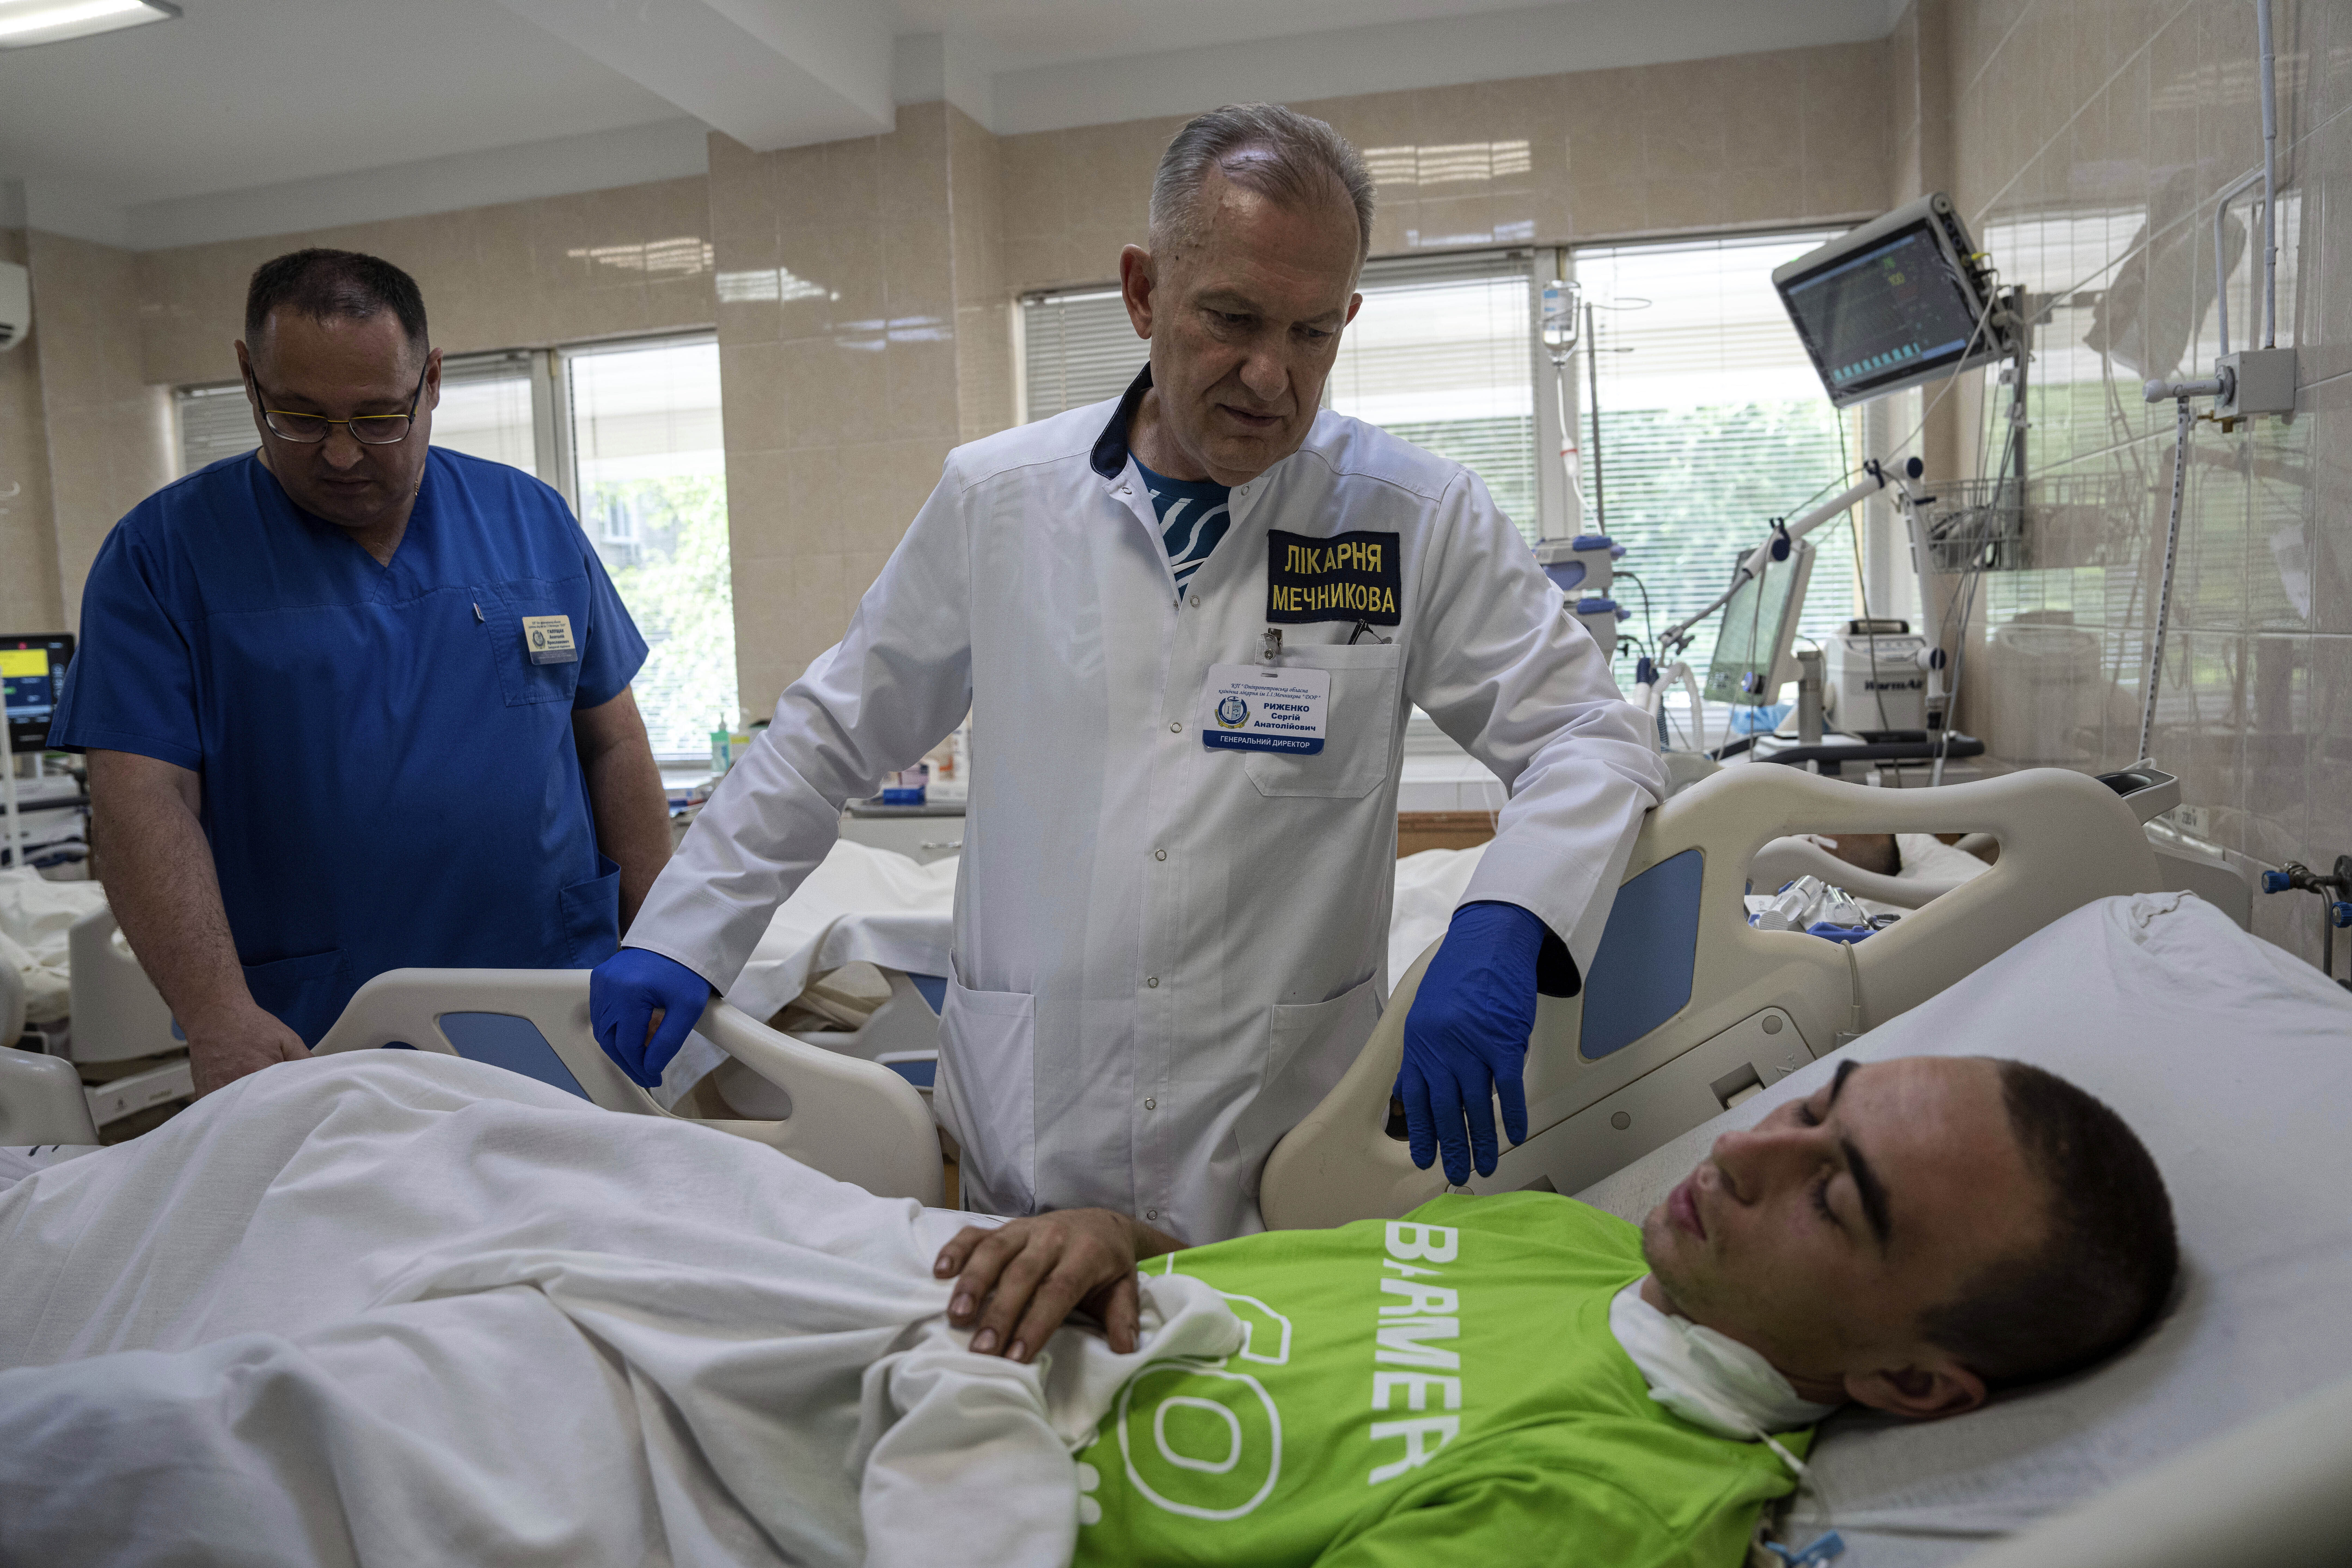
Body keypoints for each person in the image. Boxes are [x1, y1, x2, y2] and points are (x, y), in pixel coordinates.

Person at [594, 103, 1667, 1243]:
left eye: (1312, 333)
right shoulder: (997, 500)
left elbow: (1590, 736)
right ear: (1145, 292)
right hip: (1036, 1147)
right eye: (1233, 319)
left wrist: (1505, 921)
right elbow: (828, 739)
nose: (1271, 374)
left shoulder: (1413, 518)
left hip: (1289, 1164)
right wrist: (682, 929)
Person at [0, 1049, 2178, 1566]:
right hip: (923, 1289)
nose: (1759, 1148)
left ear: (1913, 1377)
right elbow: (1212, 1287)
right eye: (1807, 1101)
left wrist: (972, 1408)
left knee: (315, 1418)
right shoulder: (1586, 1248)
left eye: (1841, 1193)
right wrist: (1110, 1234)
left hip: (870, 1465)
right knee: (366, 1118)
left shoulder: (1615, 1505)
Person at [52, 249, 672, 1094]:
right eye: (300, 417)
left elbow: (614, 744)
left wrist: (664, 941)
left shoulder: (531, 519)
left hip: (554, 994)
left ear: (433, 381)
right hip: (317, 1028)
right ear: (248, 378)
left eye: (379, 418)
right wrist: (216, 1012)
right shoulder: (161, 557)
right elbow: (142, 800)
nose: (342, 456)